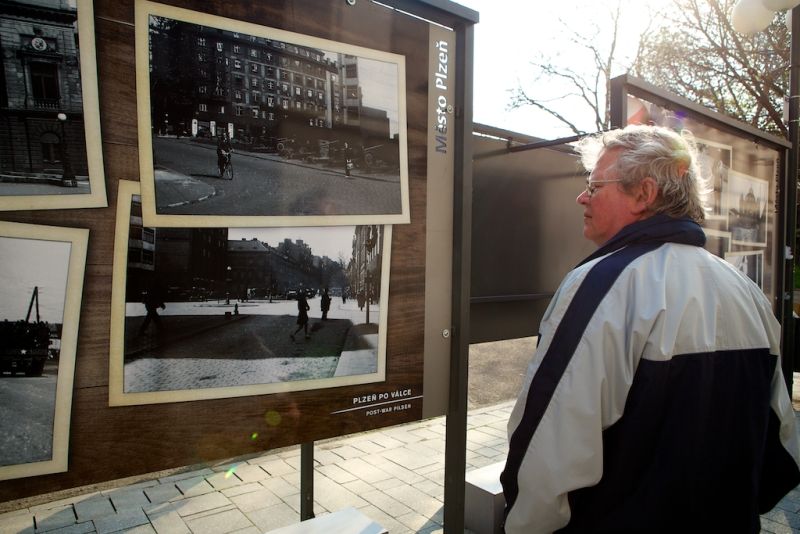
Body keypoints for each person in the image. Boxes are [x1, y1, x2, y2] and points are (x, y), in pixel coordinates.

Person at [500, 124, 800, 533]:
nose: (582, 196)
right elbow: (781, 444)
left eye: (594, 185)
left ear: (643, 194)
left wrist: (521, 525)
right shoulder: (745, 290)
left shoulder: (602, 284)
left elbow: (548, 450)